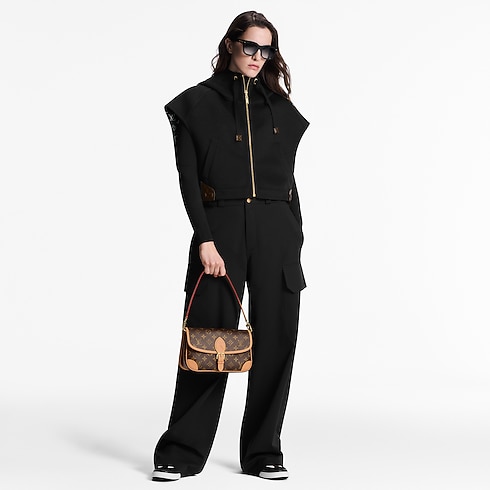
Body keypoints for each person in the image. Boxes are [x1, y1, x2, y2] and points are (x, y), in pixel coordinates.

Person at [152, 10, 309, 482]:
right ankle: (181, 451)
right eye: (250, 46)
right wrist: (205, 237)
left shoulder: (280, 110)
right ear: (230, 45)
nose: (258, 57)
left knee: (277, 341)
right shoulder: (195, 104)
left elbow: (289, 182)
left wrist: (294, 239)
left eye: (267, 50)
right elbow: (188, 180)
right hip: (220, 230)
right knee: (210, 339)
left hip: (277, 232)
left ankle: (264, 452)